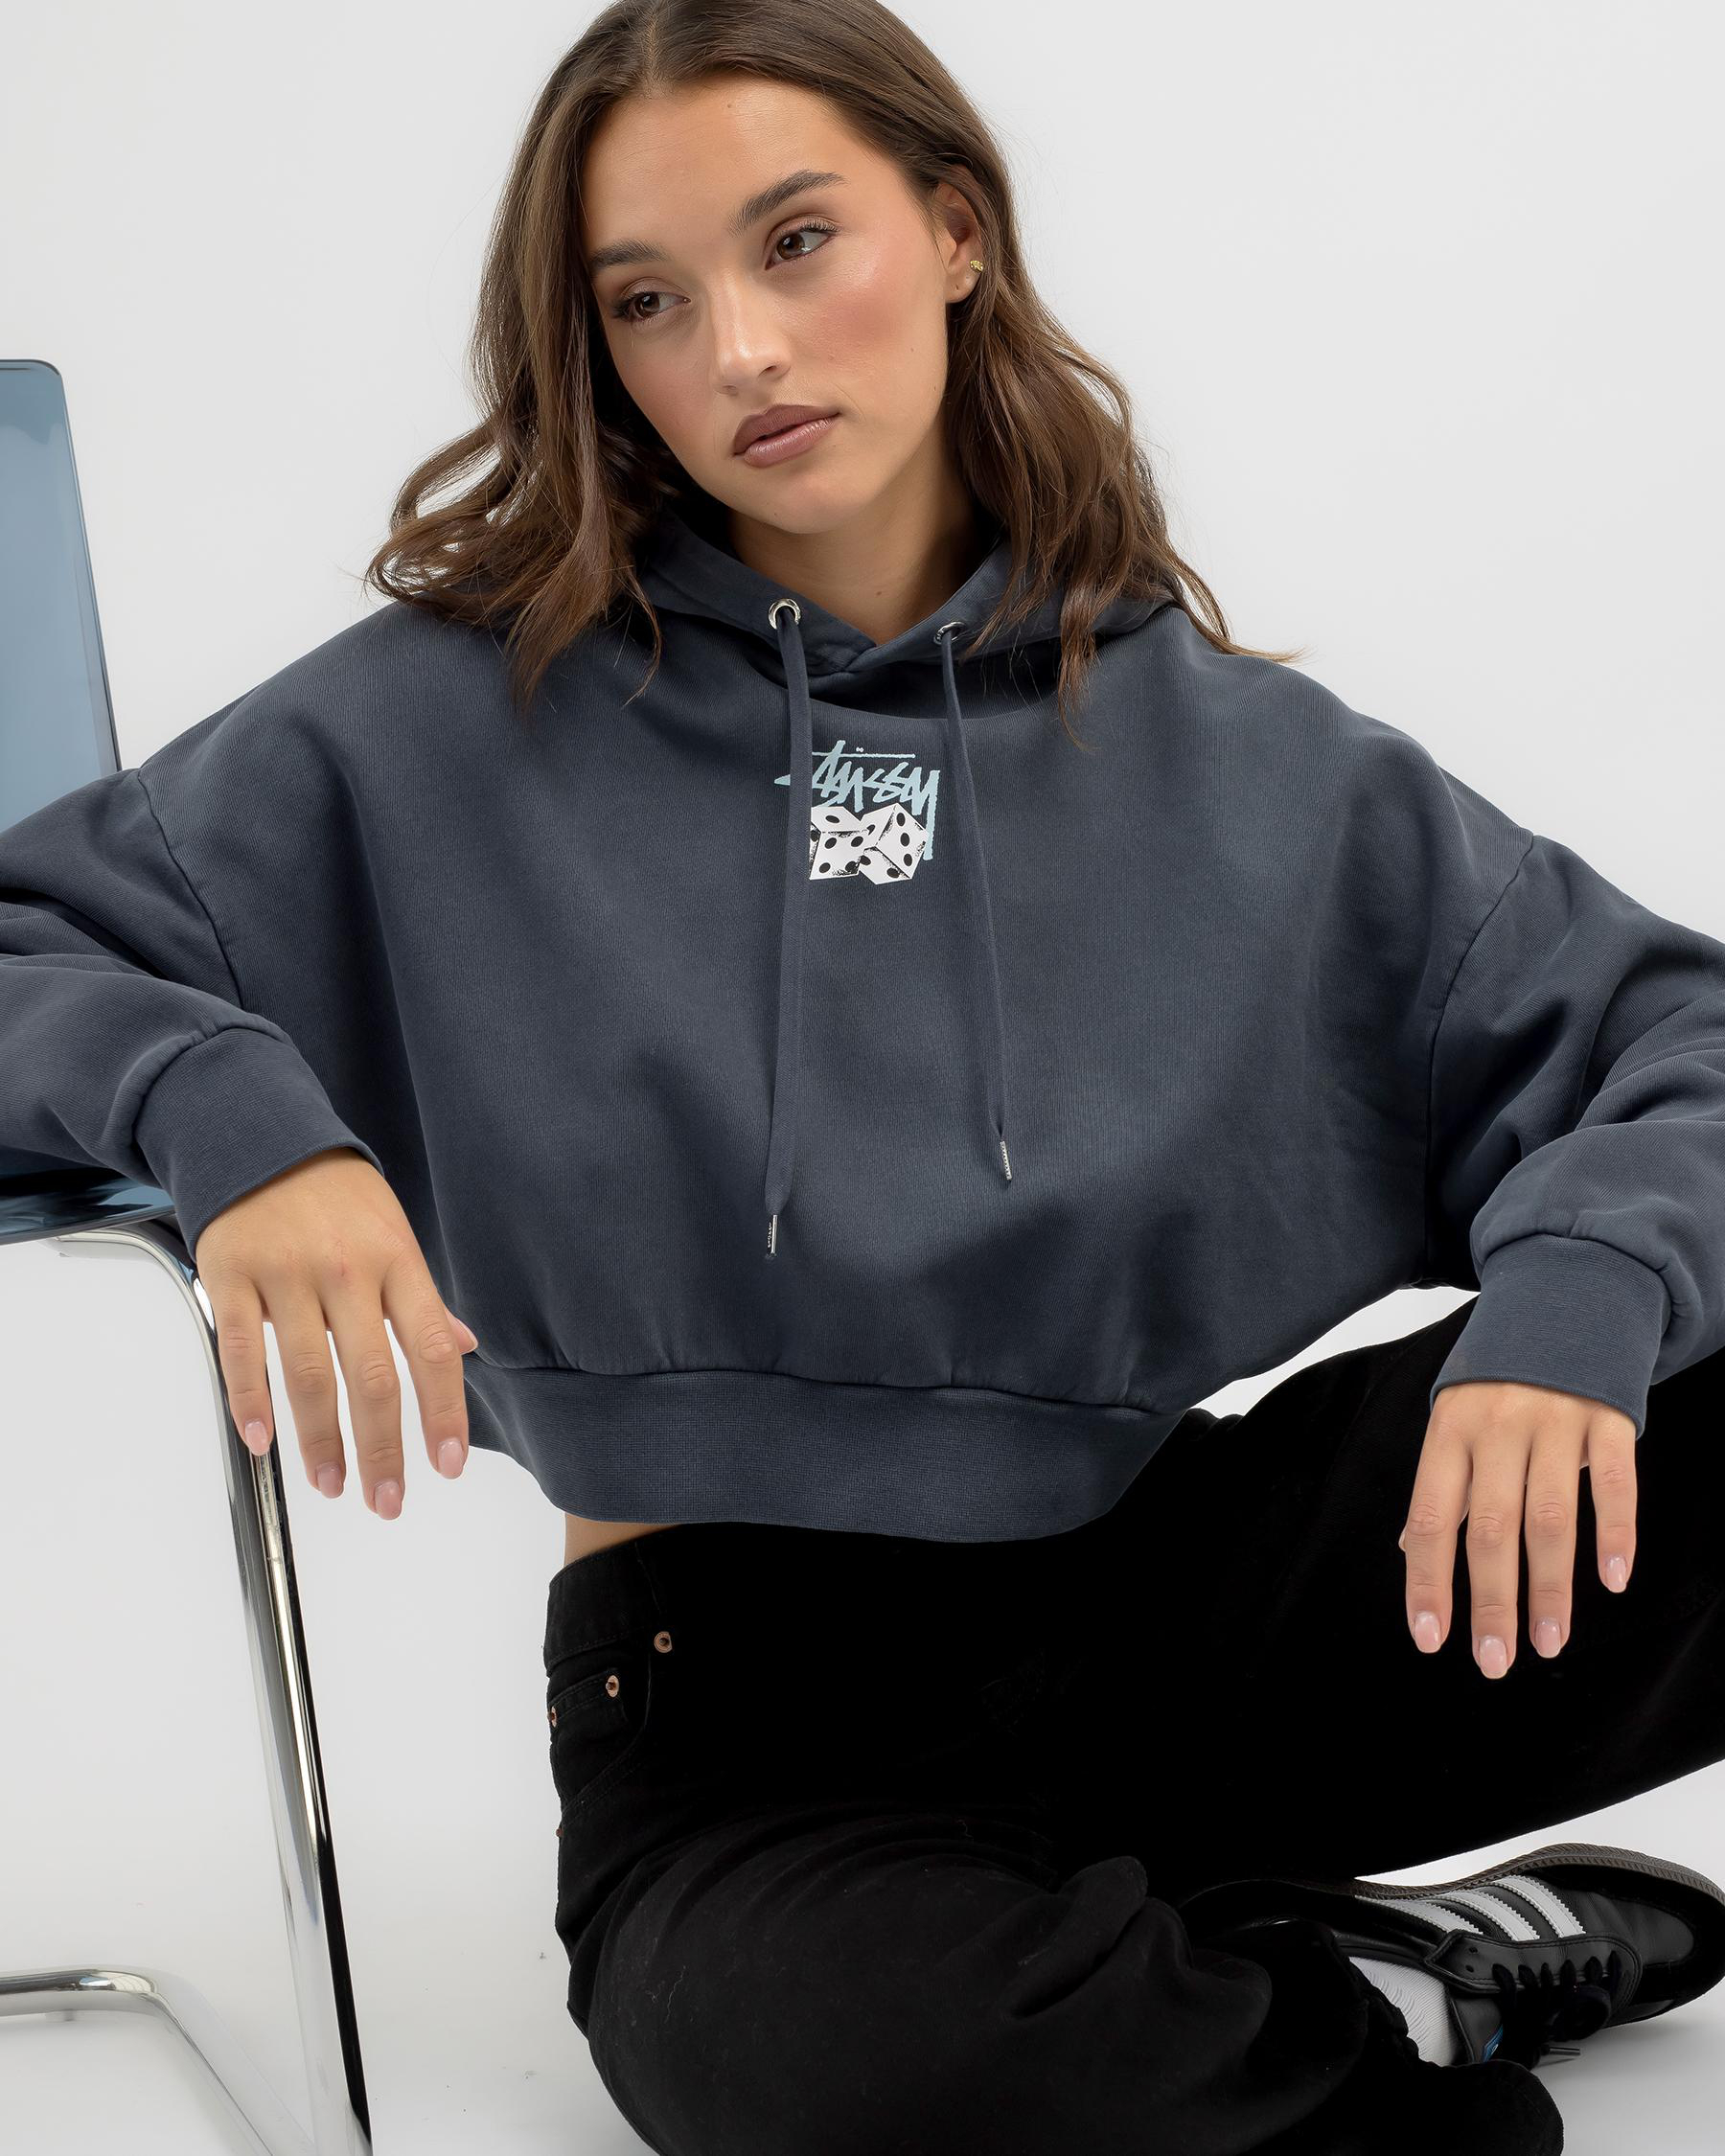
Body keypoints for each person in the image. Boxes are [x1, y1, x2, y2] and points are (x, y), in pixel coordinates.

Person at [5, 2, 1725, 2149]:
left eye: (797, 240)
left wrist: (1582, 1292)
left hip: (1191, 1612)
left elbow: (1677, 1035)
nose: (738, 346)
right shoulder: (441, 713)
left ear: (956, 231)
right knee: (893, 2072)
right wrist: (229, 1115)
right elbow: (28, 930)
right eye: (647, 299)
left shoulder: (1233, 758)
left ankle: (1188, 1950)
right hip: (740, 1736)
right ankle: (1385, 1996)